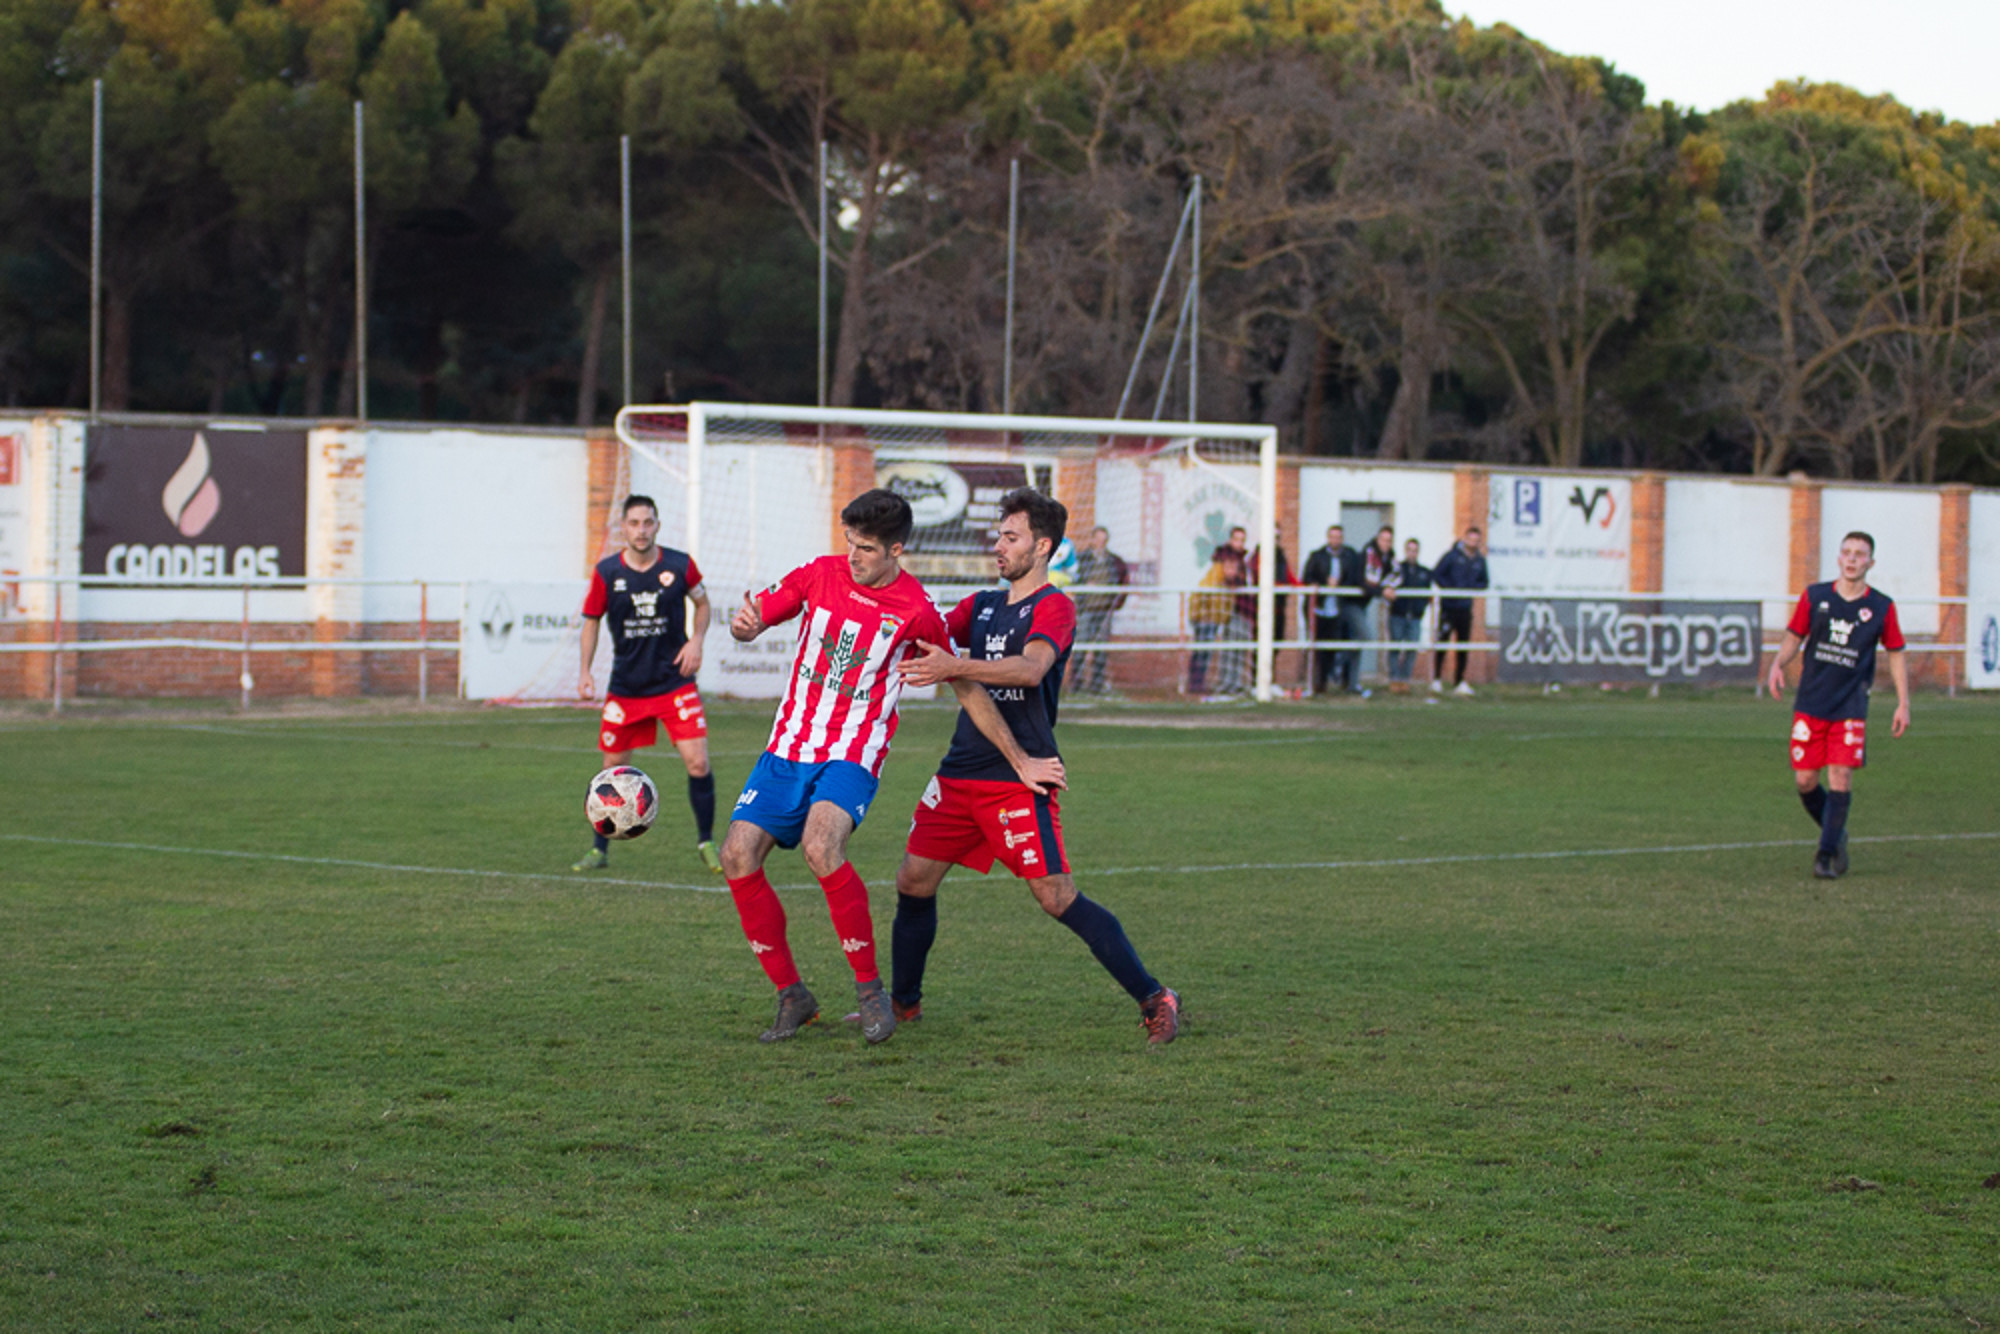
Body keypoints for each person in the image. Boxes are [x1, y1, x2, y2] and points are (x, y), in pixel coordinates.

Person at [891, 488, 1182, 1045]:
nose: (998, 545)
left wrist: (957, 663)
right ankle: (902, 1006)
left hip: (1018, 777)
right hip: (958, 772)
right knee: (913, 880)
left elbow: (1030, 669)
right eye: (999, 535)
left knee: (1055, 896)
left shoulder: (1055, 606)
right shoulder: (980, 606)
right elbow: (921, 628)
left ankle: (1155, 996)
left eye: (1011, 537)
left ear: (1042, 545)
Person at [717, 488, 952, 1046]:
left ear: (897, 549)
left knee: (823, 847)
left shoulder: (916, 609)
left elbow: (950, 665)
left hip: (853, 751)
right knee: (736, 854)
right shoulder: (818, 574)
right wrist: (744, 627)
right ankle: (792, 995)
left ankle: (871, 992)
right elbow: (751, 621)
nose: (854, 556)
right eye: (850, 542)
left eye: (867, 548)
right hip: (786, 747)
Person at [573, 494, 720, 874]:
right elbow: (590, 620)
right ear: (623, 527)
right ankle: (598, 850)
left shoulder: (680, 565)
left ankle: (706, 842)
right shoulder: (607, 572)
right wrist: (585, 671)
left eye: (648, 522)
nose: (641, 530)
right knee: (612, 771)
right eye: (634, 523)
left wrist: (696, 640)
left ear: (657, 525)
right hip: (627, 688)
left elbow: (704, 605)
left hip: (674, 682)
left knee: (698, 762)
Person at [1765, 530, 1911, 879]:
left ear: (1870, 563)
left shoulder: (1881, 607)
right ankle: (1837, 832)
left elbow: (1896, 653)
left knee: (1841, 775)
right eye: (1847, 552)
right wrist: (1777, 664)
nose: (1852, 559)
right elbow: (1794, 637)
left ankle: (1825, 855)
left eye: (1860, 554)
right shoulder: (1815, 597)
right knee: (1805, 781)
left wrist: (1903, 703)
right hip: (1811, 702)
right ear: (1838, 558)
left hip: (1850, 705)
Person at [1301, 524, 1364, 695]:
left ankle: (1342, 681)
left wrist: (1340, 585)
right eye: (1332, 536)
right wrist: (1320, 584)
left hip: (1339, 609)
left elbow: (1355, 578)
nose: (1335, 540)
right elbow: (1307, 577)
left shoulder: (1350, 556)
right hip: (1320, 609)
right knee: (1318, 647)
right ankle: (1317, 683)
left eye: (1338, 537)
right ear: (1328, 538)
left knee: (1337, 647)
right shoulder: (1317, 556)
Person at [1188, 527, 1249, 697]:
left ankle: (1198, 683)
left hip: (1215, 616)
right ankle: (1195, 684)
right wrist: (1204, 614)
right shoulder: (1218, 566)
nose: (1232, 570)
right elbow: (1206, 591)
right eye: (1236, 539)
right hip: (1206, 616)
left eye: (1242, 540)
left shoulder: (1239, 564)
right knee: (1202, 650)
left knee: (1206, 651)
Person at [1067, 525, 1128, 697]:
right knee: (1081, 646)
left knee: (1101, 648)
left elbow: (1122, 582)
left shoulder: (1114, 561)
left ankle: (1097, 685)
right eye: (1098, 539)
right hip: (1086, 609)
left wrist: (1116, 601)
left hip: (1105, 610)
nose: (1101, 543)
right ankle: (1076, 685)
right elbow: (1072, 579)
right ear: (1092, 540)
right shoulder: (1082, 558)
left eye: (1104, 540)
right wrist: (1084, 586)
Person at [1430, 525, 1488, 696]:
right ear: (1465, 538)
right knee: (1442, 642)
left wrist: (1471, 589)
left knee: (1463, 645)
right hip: (1449, 607)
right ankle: (1437, 679)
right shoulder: (1452, 556)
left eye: (1477, 540)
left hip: (1465, 608)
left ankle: (1459, 680)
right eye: (1471, 539)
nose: (1474, 542)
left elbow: (1484, 582)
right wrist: (1450, 589)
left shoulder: (1479, 561)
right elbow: (1437, 574)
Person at [1386, 537, 1433, 689]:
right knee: (1395, 647)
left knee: (1412, 648)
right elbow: (1388, 587)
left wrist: (1421, 607)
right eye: (1410, 550)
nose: (1412, 553)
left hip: (1415, 617)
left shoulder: (1424, 573)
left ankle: (1405, 680)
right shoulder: (1397, 570)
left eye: (1415, 551)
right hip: (1397, 615)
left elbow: (1428, 594)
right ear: (1405, 551)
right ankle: (1394, 679)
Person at [1359, 525, 1400, 689]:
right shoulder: (1366, 555)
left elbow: (1394, 575)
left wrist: (1389, 588)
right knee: (1362, 635)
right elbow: (1362, 581)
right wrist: (1382, 591)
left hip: (1368, 602)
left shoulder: (1390, 558)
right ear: (1377, 539)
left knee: (1359, 640)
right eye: (1383, 539)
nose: (1386, 543)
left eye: (1389, 540)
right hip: (1353, 602)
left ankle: (1351, 680)